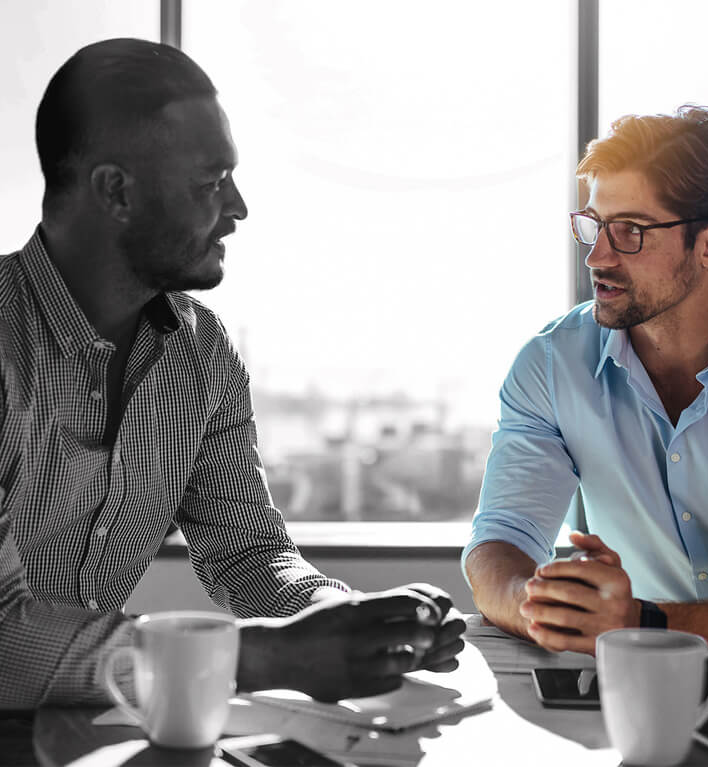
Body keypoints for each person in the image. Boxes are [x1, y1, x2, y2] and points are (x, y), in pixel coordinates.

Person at [0, 37, 465, 709]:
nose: (239, 207)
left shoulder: (203, 352)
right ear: (116, 191)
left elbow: (248, 554)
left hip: (89, 727)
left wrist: (355, 621)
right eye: (211, 182)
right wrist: (262, 656)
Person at [462, 104, 708, 661]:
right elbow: (501, 539)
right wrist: (548, 610)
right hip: (636, 686)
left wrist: (641, 623)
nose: (597, 255)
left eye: (630, 230)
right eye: (594, 225)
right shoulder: (552, 363)